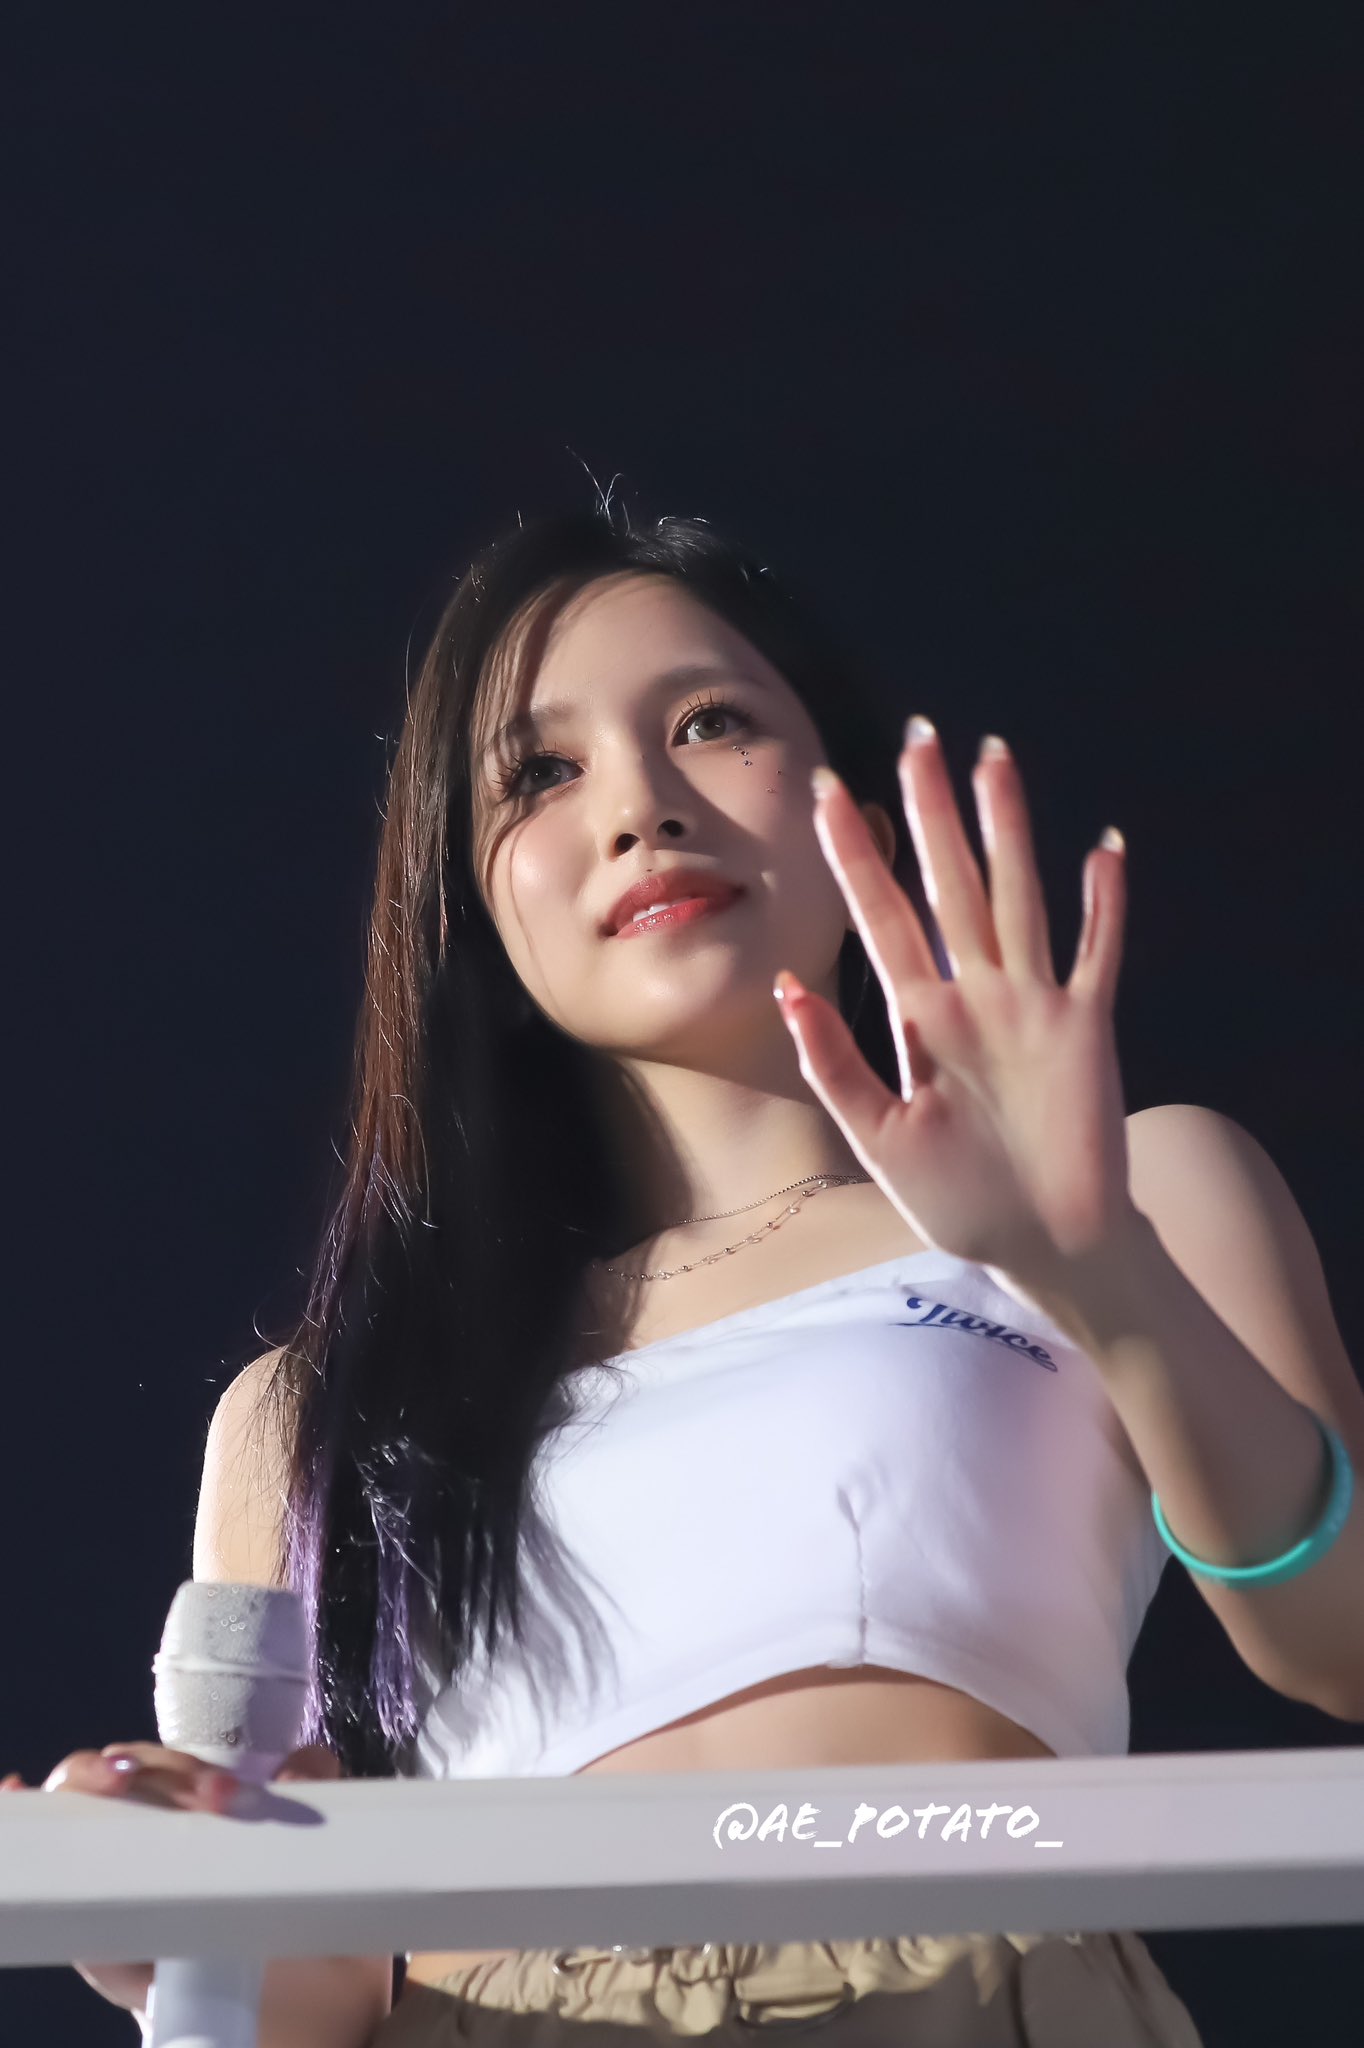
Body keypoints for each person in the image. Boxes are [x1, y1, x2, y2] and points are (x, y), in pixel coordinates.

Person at [26, 498, 1319, 2044]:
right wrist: (170, 1913)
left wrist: (1097, 1272)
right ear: (472, 905)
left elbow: (1342, 1639)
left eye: (711, 722)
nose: (640, 805)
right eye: (540, 773)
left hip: (951, 1987)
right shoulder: (314, 1414)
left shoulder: (1133, 1192)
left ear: (854, 813)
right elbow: (324, 1998)